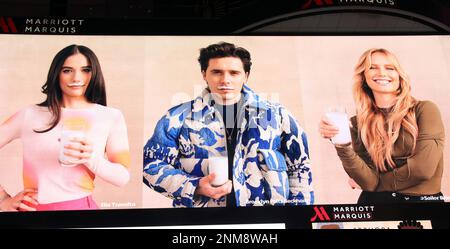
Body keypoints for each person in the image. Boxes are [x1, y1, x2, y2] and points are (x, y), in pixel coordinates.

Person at [143, 42, 314, 207]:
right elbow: (150, 165)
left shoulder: (277, 115)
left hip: (265, 221)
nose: (225, 80)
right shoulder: (176, 118)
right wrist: (195, 186)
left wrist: (298, 217)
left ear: (245, 76)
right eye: (217, 72)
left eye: (234, 73)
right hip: (200, 222)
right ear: (204, 74)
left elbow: (300, 168)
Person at [0, 44, 131, 211]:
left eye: (86, 70)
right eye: (67, 70)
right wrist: (3, 199)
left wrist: (90, 159)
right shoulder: (30, 114)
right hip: (32, 213)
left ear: (95, 73)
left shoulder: (110, 116)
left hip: (82, 213)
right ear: (56, 74)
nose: (77, 78)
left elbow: (122, 178)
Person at [319, 48, 445, 204]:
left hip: (421, 203)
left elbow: (423, 169)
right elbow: (367, 181)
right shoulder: (357, 123)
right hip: (375, 205)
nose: (381, 73)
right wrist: (341, 144)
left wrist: (377, 183)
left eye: (389, 68)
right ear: (364, 77)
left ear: (399, 75)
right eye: (372, 67)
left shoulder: (425, 110)